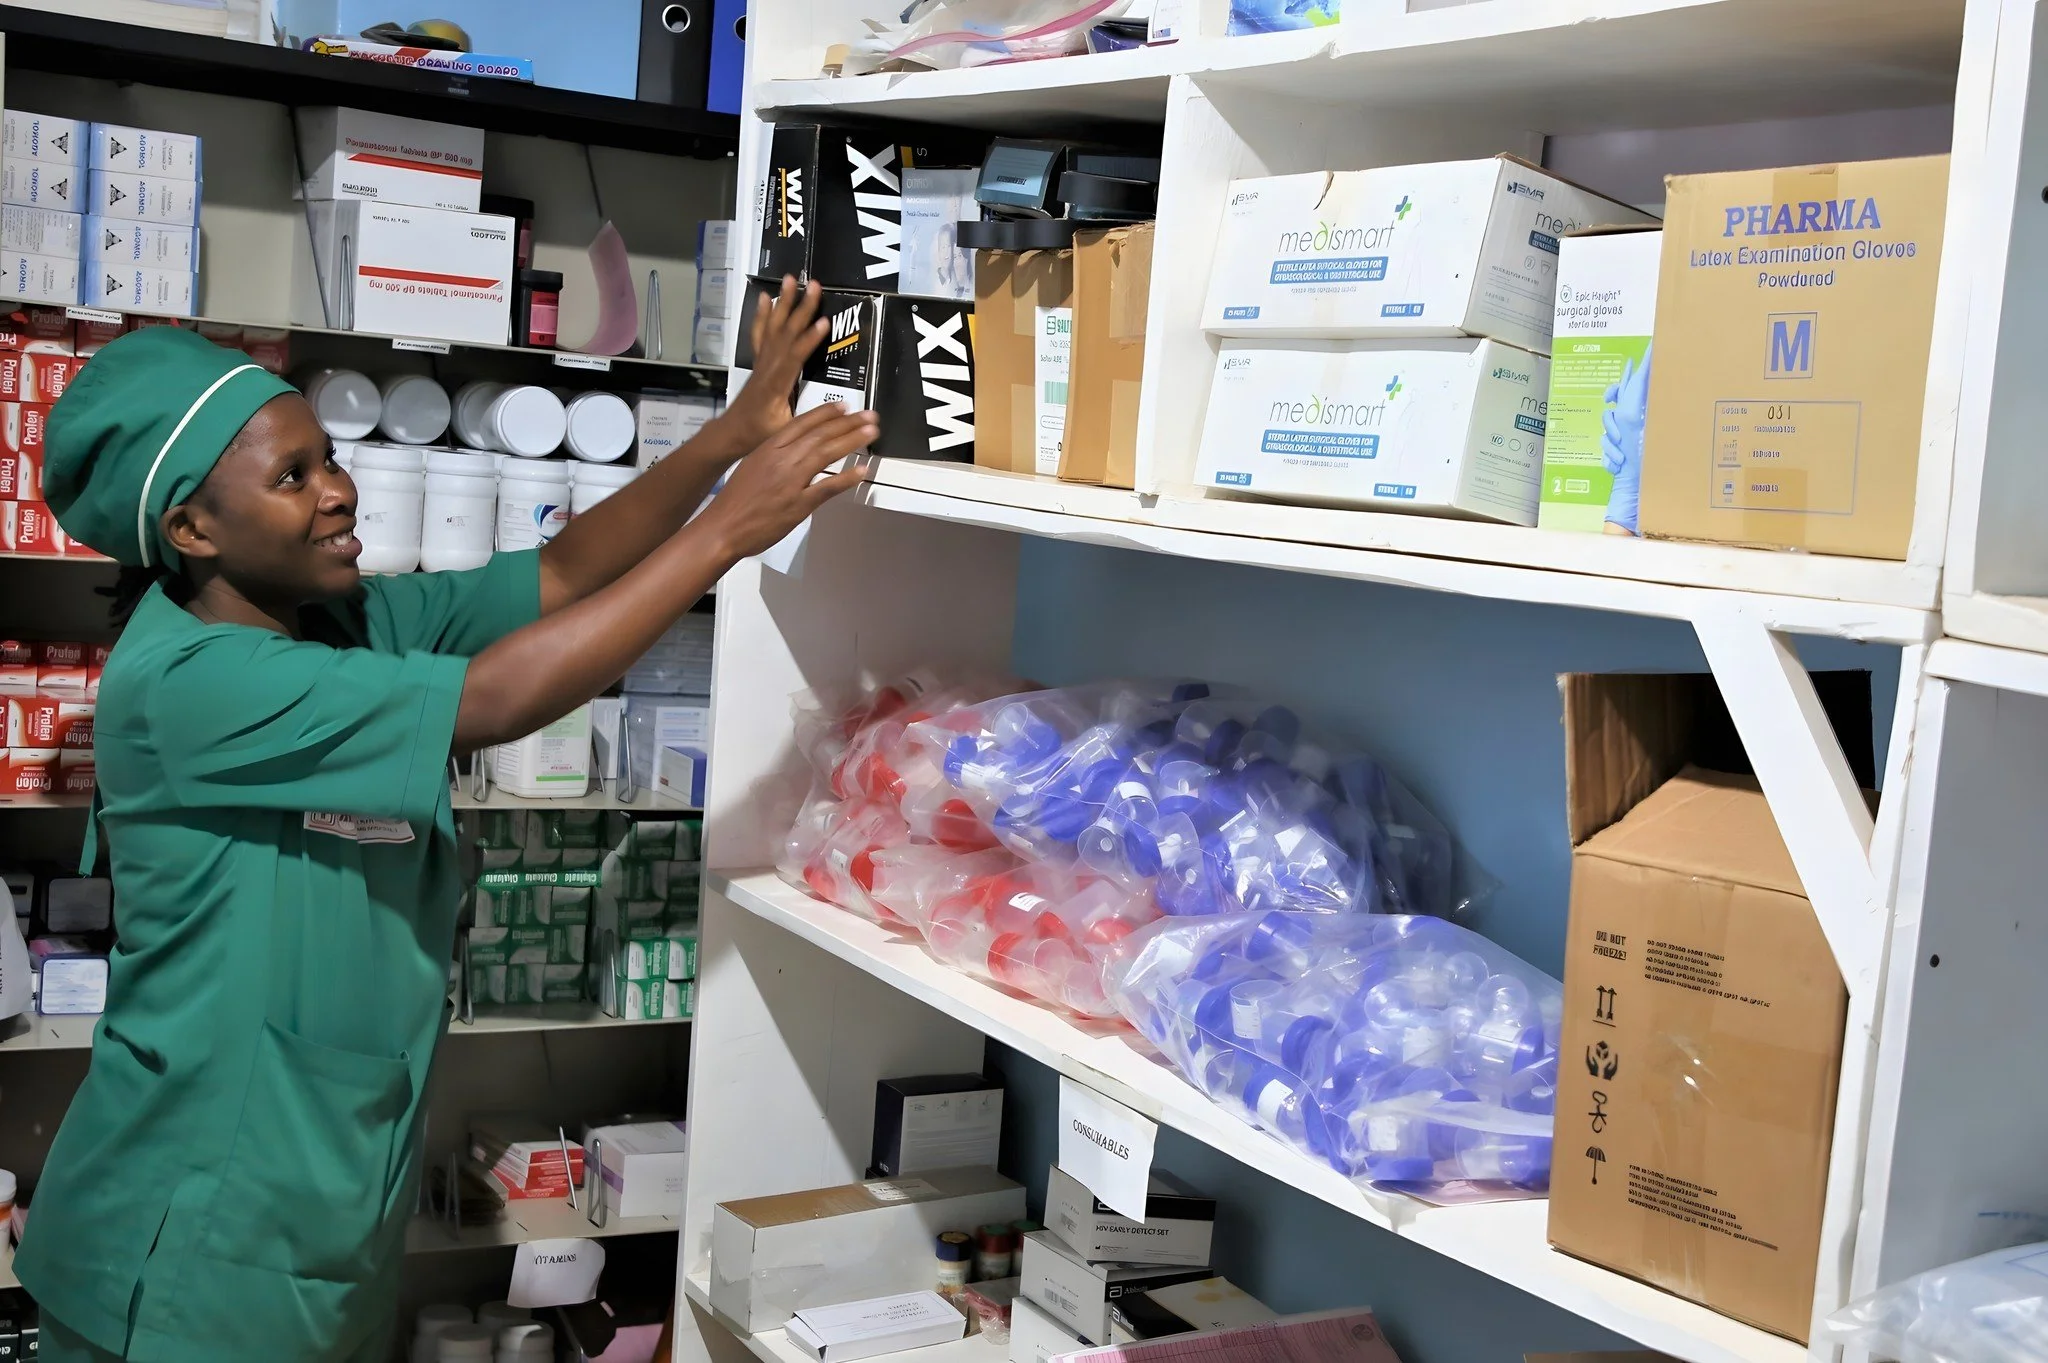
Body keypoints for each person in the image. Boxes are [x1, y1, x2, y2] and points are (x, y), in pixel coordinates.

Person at [14, 280, 874, 1362]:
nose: (339, 493)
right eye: (293, 477)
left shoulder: (336, 618)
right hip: (190, 1223)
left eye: (328, 457)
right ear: (191, 526)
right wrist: (726, 536)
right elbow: (495, 698)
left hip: (312, 1190)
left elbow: (557, 570)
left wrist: (728, 439)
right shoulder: (188, 682)